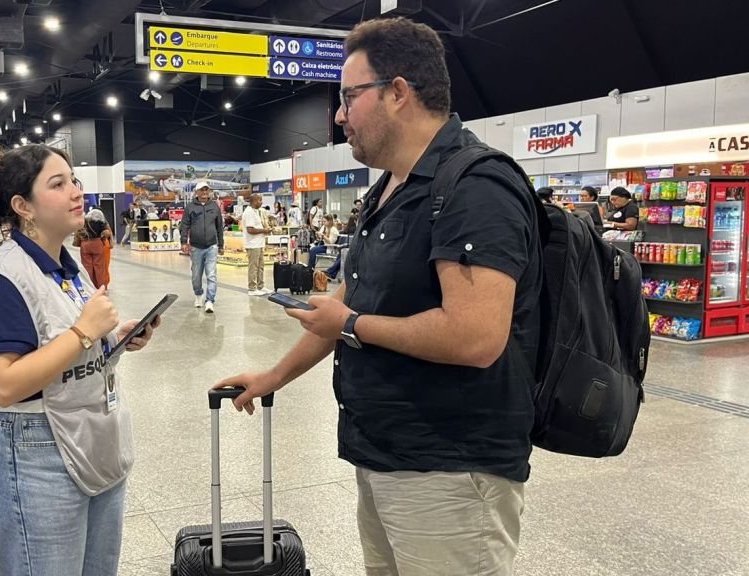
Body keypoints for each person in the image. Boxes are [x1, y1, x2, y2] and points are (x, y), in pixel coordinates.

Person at [215, 16, 541, 576]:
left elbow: (476, 337)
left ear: (397, 92)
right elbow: (350, 298)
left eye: (349, 97)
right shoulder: (390, 186)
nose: (339, 117)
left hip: (450, 469)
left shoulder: (474, 186)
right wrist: (275, 375)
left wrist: (350, 324)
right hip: (384, 454)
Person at [0, 143, 159, 575]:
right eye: (58, 184)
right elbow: (4, 385)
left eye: (74, 180)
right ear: (23, 206)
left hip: (93, 441)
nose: (76, 191)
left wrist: (113, 339)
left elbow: (66, 349)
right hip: (35, 452)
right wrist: (84, 331)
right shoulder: (2, 278)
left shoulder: (68, 268)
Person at [179, 182, 224, 313]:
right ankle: (198, 294)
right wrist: (183, 242)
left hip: (212, 246)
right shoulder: (190, 207)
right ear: (196, 192)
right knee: (196, 275)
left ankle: (210, 300)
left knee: (211, 274)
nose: (204, 192)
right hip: (196, 247)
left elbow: (219, 227)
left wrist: (221, 244)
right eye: (202, 190)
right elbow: (184, 225)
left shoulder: (214, 207)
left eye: (206, 190)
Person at [242, 194, 269, 296]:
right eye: (260, 200)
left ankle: (260, 286)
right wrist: (264, 230)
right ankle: (252, 288)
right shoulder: (249, 212)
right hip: (252, 244)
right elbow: (250, 230)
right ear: (255, 201)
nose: (261, 202)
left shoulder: (256, 211)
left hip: (259, 243)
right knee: (253, 267)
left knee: (260, 266)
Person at [79, 209, 112, 288]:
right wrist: (103, 238)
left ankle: (89, 287)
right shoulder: (101, 222)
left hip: (85, 244)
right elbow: (107, 233)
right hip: (97, 244)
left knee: (87, 267)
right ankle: (101, 287)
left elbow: (78, 231)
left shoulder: (84, 221)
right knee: (99, 266)